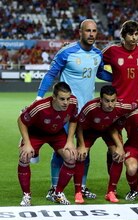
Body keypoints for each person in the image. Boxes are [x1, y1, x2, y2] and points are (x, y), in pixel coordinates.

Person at [36, 19, 110, 201]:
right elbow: (51, 74)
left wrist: (122, 78)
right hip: (66, 112)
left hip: (87, 112)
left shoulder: (98, 54)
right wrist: (39, 97)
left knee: (85, 150)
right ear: (80, 32)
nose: (92, 34)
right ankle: (54, 188)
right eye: (88, 31)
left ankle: (81, 187)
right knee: (61, 150)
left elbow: (100, 73)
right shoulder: (66, 52)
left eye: (94, 31)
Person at [101, 20, 138, 195]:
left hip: (137, 106)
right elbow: (95, 63)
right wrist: (112, 76)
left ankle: (135, 187)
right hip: (115, 106)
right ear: (123, 36)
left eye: (137, 34)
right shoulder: (111, 51)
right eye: (130, 34)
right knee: (114, 147)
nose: (134, 38)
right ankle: (112, 186)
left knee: (136, 147)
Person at [76, 85, 138, 203]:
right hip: (89, 131)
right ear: (100, 99)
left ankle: (111, 191)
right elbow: (79, 126)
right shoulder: (90, 107)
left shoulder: (122, 106)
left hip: (109, 130)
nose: (110, 104)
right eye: (107, 101)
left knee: (119, 155)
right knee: (81, 155)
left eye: (113, 101)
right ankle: (78, 192)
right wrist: (81, 145)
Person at [18, 82, 78, 206]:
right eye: (62, 99)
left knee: (71, 156)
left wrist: (70, 140)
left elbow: (73, 119)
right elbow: (21, 120)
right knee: (25, 155)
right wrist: (27, 142)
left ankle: (58, 193)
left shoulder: (73, 102)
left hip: (57, 133)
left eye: (67, 98)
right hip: (36, 133)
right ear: (54, 97)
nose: (66, 102)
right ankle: (26, 196)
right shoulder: (40, 106)